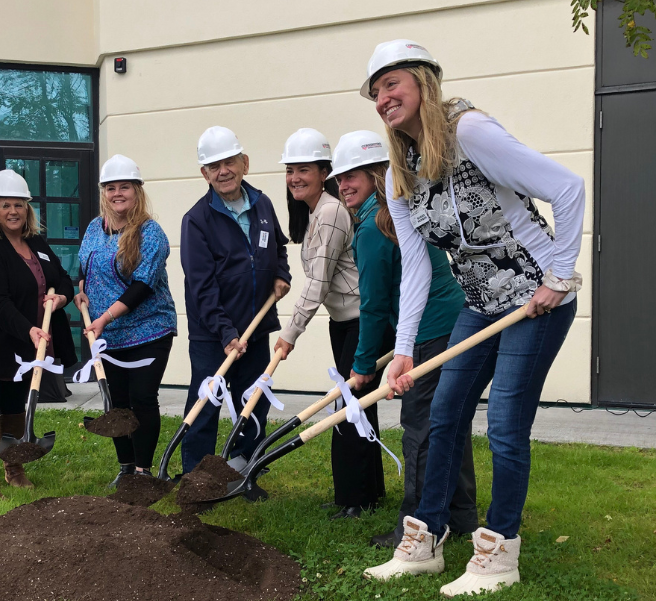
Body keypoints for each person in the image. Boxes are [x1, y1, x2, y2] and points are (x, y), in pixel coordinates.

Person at [360, 40, 583, 596]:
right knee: (443, 415)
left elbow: (567, 188)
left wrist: (559, 276)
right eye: (376, 90)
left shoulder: (471, 133)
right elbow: (416, 264)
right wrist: (405, 348)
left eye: (393, 84)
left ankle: (499, 551)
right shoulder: (398, 170)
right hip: (480, 306)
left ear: (423, 81)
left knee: (506, 424)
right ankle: (425, 539)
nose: (384, 97)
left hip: (535, 301)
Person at [329, 130, 476, 545]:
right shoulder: (396, 212)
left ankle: (415, 524)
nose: (343, 185)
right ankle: (462, 515)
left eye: (353, 175)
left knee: (421, 427)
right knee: (450, 422)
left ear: (378, 173)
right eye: (339, 178)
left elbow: (372, 308)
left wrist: (360, 368)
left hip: (433, 332)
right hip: (454, 322)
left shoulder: (374, 229)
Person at [0, 169, 77, 501]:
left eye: (19, 204)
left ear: (27, 208)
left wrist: (61, 298)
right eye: (5, 205)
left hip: (22, 339)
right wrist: (30, 330)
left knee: (13, 404)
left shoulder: (35, 241)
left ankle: (14, 468)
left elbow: (61, 278)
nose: (13, 211)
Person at [272, 128, 379, 520]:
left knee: (347, 410)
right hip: (344, 322)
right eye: (290, 170)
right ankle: (369, 494)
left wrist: (289, 333)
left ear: (324, 173)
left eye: (304, 169)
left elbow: (317, 283)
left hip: (360, 323)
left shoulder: (332, 211)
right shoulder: (316, 212)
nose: (295, 177)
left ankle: (353, 500)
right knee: (360, 408)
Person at [180, 125, 291, 479]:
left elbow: (280, 246)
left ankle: (246, 468)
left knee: (252, 401)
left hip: (255, 329)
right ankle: (195, 476)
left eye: (229, 162)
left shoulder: (262, 203)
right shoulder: (196, 220)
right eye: (214, 166)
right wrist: (225, 332)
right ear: (204, 174)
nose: (223, 171)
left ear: (244, 162)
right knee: (206, 403)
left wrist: (282, 275)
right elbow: (201, 286)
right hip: (212, 334)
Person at [74, 155, 178, 487]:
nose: (117, 193)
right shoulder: (94, 227)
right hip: (107, 334)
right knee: (116, 402)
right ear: (103, 192)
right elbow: (84, 270)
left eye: (125, 187)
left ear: (137, 191)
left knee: (142, 398)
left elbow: (143, 286)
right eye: (111, 188)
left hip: (149, 330)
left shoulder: (151, 232)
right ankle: (126, 467)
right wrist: (80, 292)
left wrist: (104, 317)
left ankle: (144, 472)